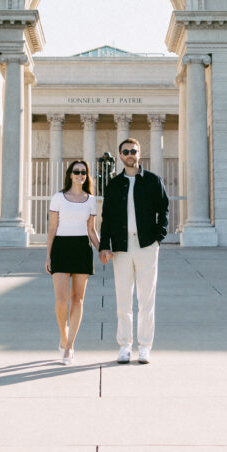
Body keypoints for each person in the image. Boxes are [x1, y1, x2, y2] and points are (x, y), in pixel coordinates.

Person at [99, 138, 169, 364]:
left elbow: (164, 209)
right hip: (121, 248)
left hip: (146, 246)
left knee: (146, 299)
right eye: (126, 151)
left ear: (140, 154)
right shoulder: (113, 184)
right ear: (120, 156)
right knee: (123, 299)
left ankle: (145, 347)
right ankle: (125, 346)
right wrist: (104, 246)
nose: (130, 154)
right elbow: (106, 217)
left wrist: (158, 237)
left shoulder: (152, 181)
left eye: (133, 151)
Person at [45, 159, 100, 365]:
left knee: (77, 299)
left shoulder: (91, 200)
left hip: (81, 249)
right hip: (60, 248)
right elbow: (52, 228)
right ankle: (63, 334)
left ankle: (69, 347)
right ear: (70, 174)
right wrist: (48, 255)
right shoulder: (58, 198)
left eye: (83, 172)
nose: (80, 175)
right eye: (76, 171)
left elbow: (92, 230)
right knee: (61, 300)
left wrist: (102, 250)